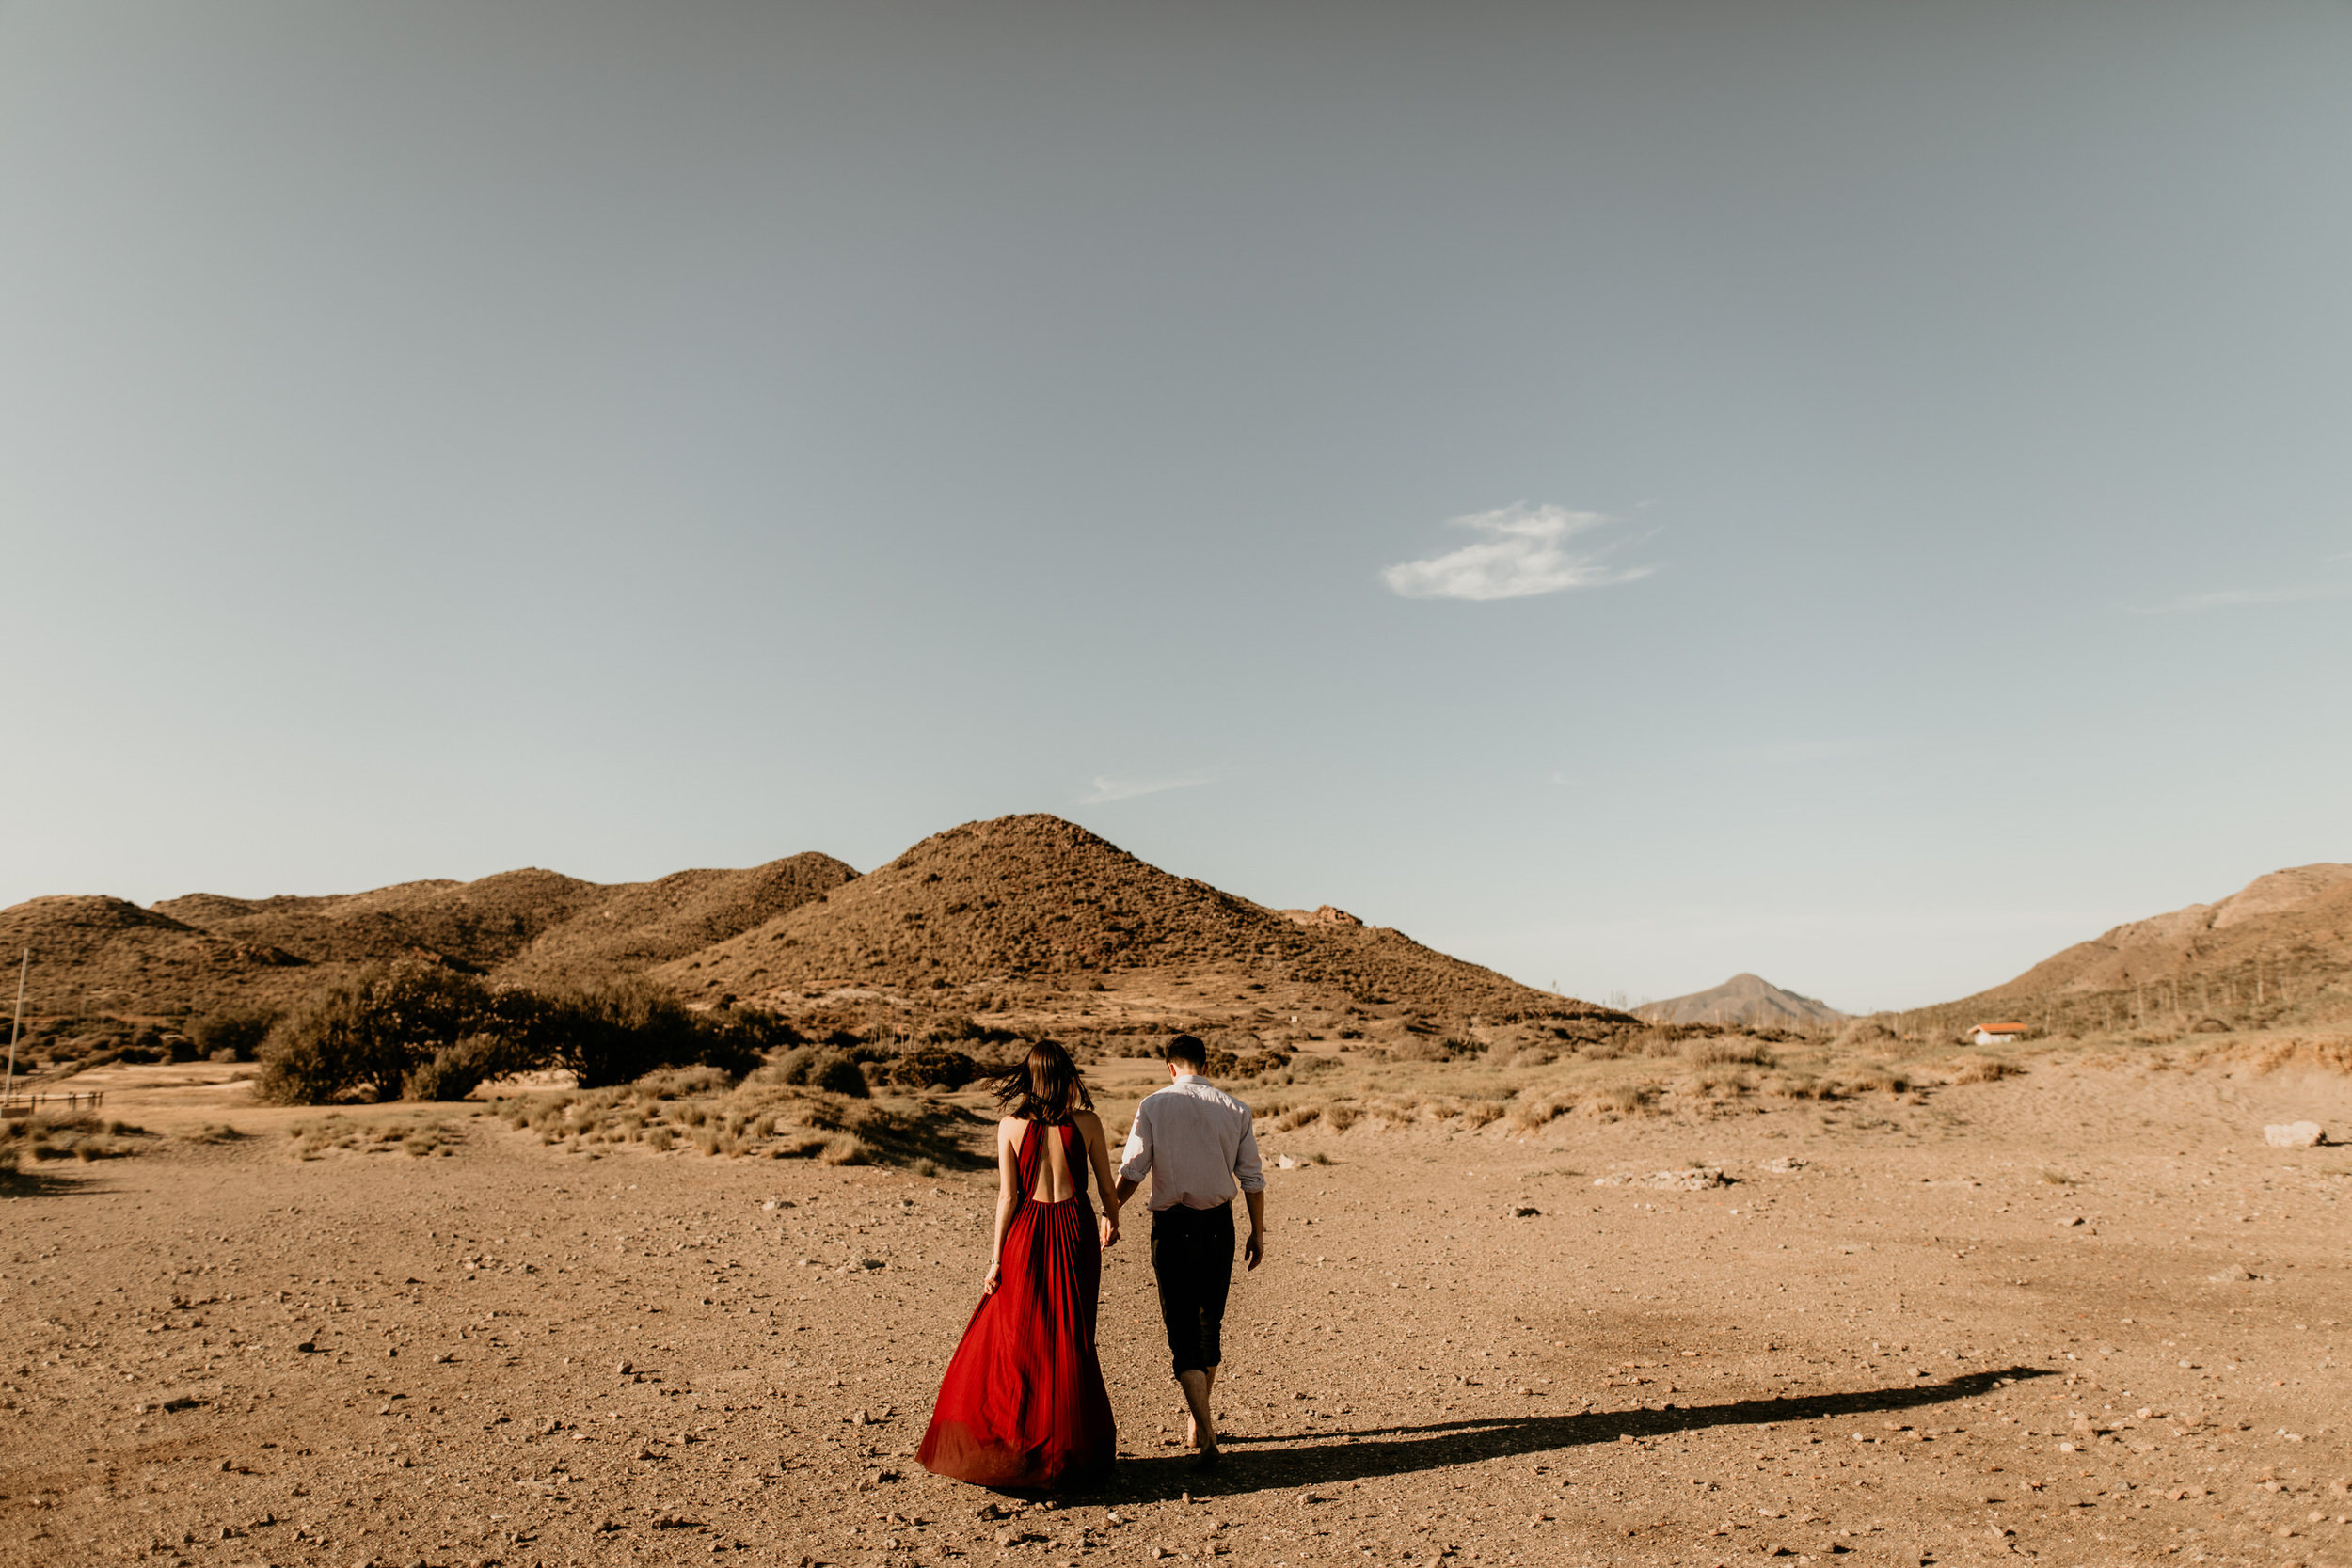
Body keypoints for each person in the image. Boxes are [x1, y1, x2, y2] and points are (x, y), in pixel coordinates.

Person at [917, 1040, 1122, 1490]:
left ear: (1030, 1077)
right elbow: (1107, 1186)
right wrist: (1113, 1218)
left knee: (1021, 1336)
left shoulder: (1010, 1126)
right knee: (1072, 1336)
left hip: (1026, 1233)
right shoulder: (1087, 1122)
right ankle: (1070, 1451)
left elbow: (1007, 1197)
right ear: (1066, 1075)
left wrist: (995, 1259)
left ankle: (1018, 1447)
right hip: (1074, 1231)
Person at [1114, 1034, 1265, 1470]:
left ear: (1171, 1067)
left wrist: (1111, 1213)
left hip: (1173, 1226)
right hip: (1220, 1225)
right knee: (1209, 1320)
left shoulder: (1154, 1106)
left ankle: (1206, 1433)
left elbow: (1133, 1171)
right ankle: (1199, 1422)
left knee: (1180, 1323)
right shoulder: (1235, 1108)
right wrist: (1258, 1232)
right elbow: (1252, 1179)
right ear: (1204, 1063)